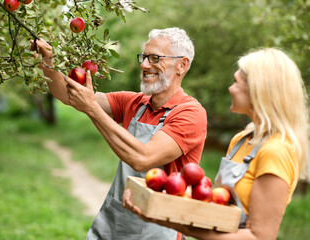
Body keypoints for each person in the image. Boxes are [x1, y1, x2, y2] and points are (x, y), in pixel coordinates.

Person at [31, 27, 207, 239]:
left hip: (158, 231)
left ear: (182, 65)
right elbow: (69, 97)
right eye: (144, 57)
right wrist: (48, 63)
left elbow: (143, 158)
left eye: (154, 58)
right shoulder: (134, 102)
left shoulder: (190, 114)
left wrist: (93, 109)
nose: (143, 65)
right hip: (114, 223)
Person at [123, 47, 309, 240]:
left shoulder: (276, 150)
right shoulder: (242, 140)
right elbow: (221, 210)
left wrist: (172, 223)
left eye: (236, 82)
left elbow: (259, 236)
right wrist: (162, 208)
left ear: (258, 90)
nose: (230, 88)